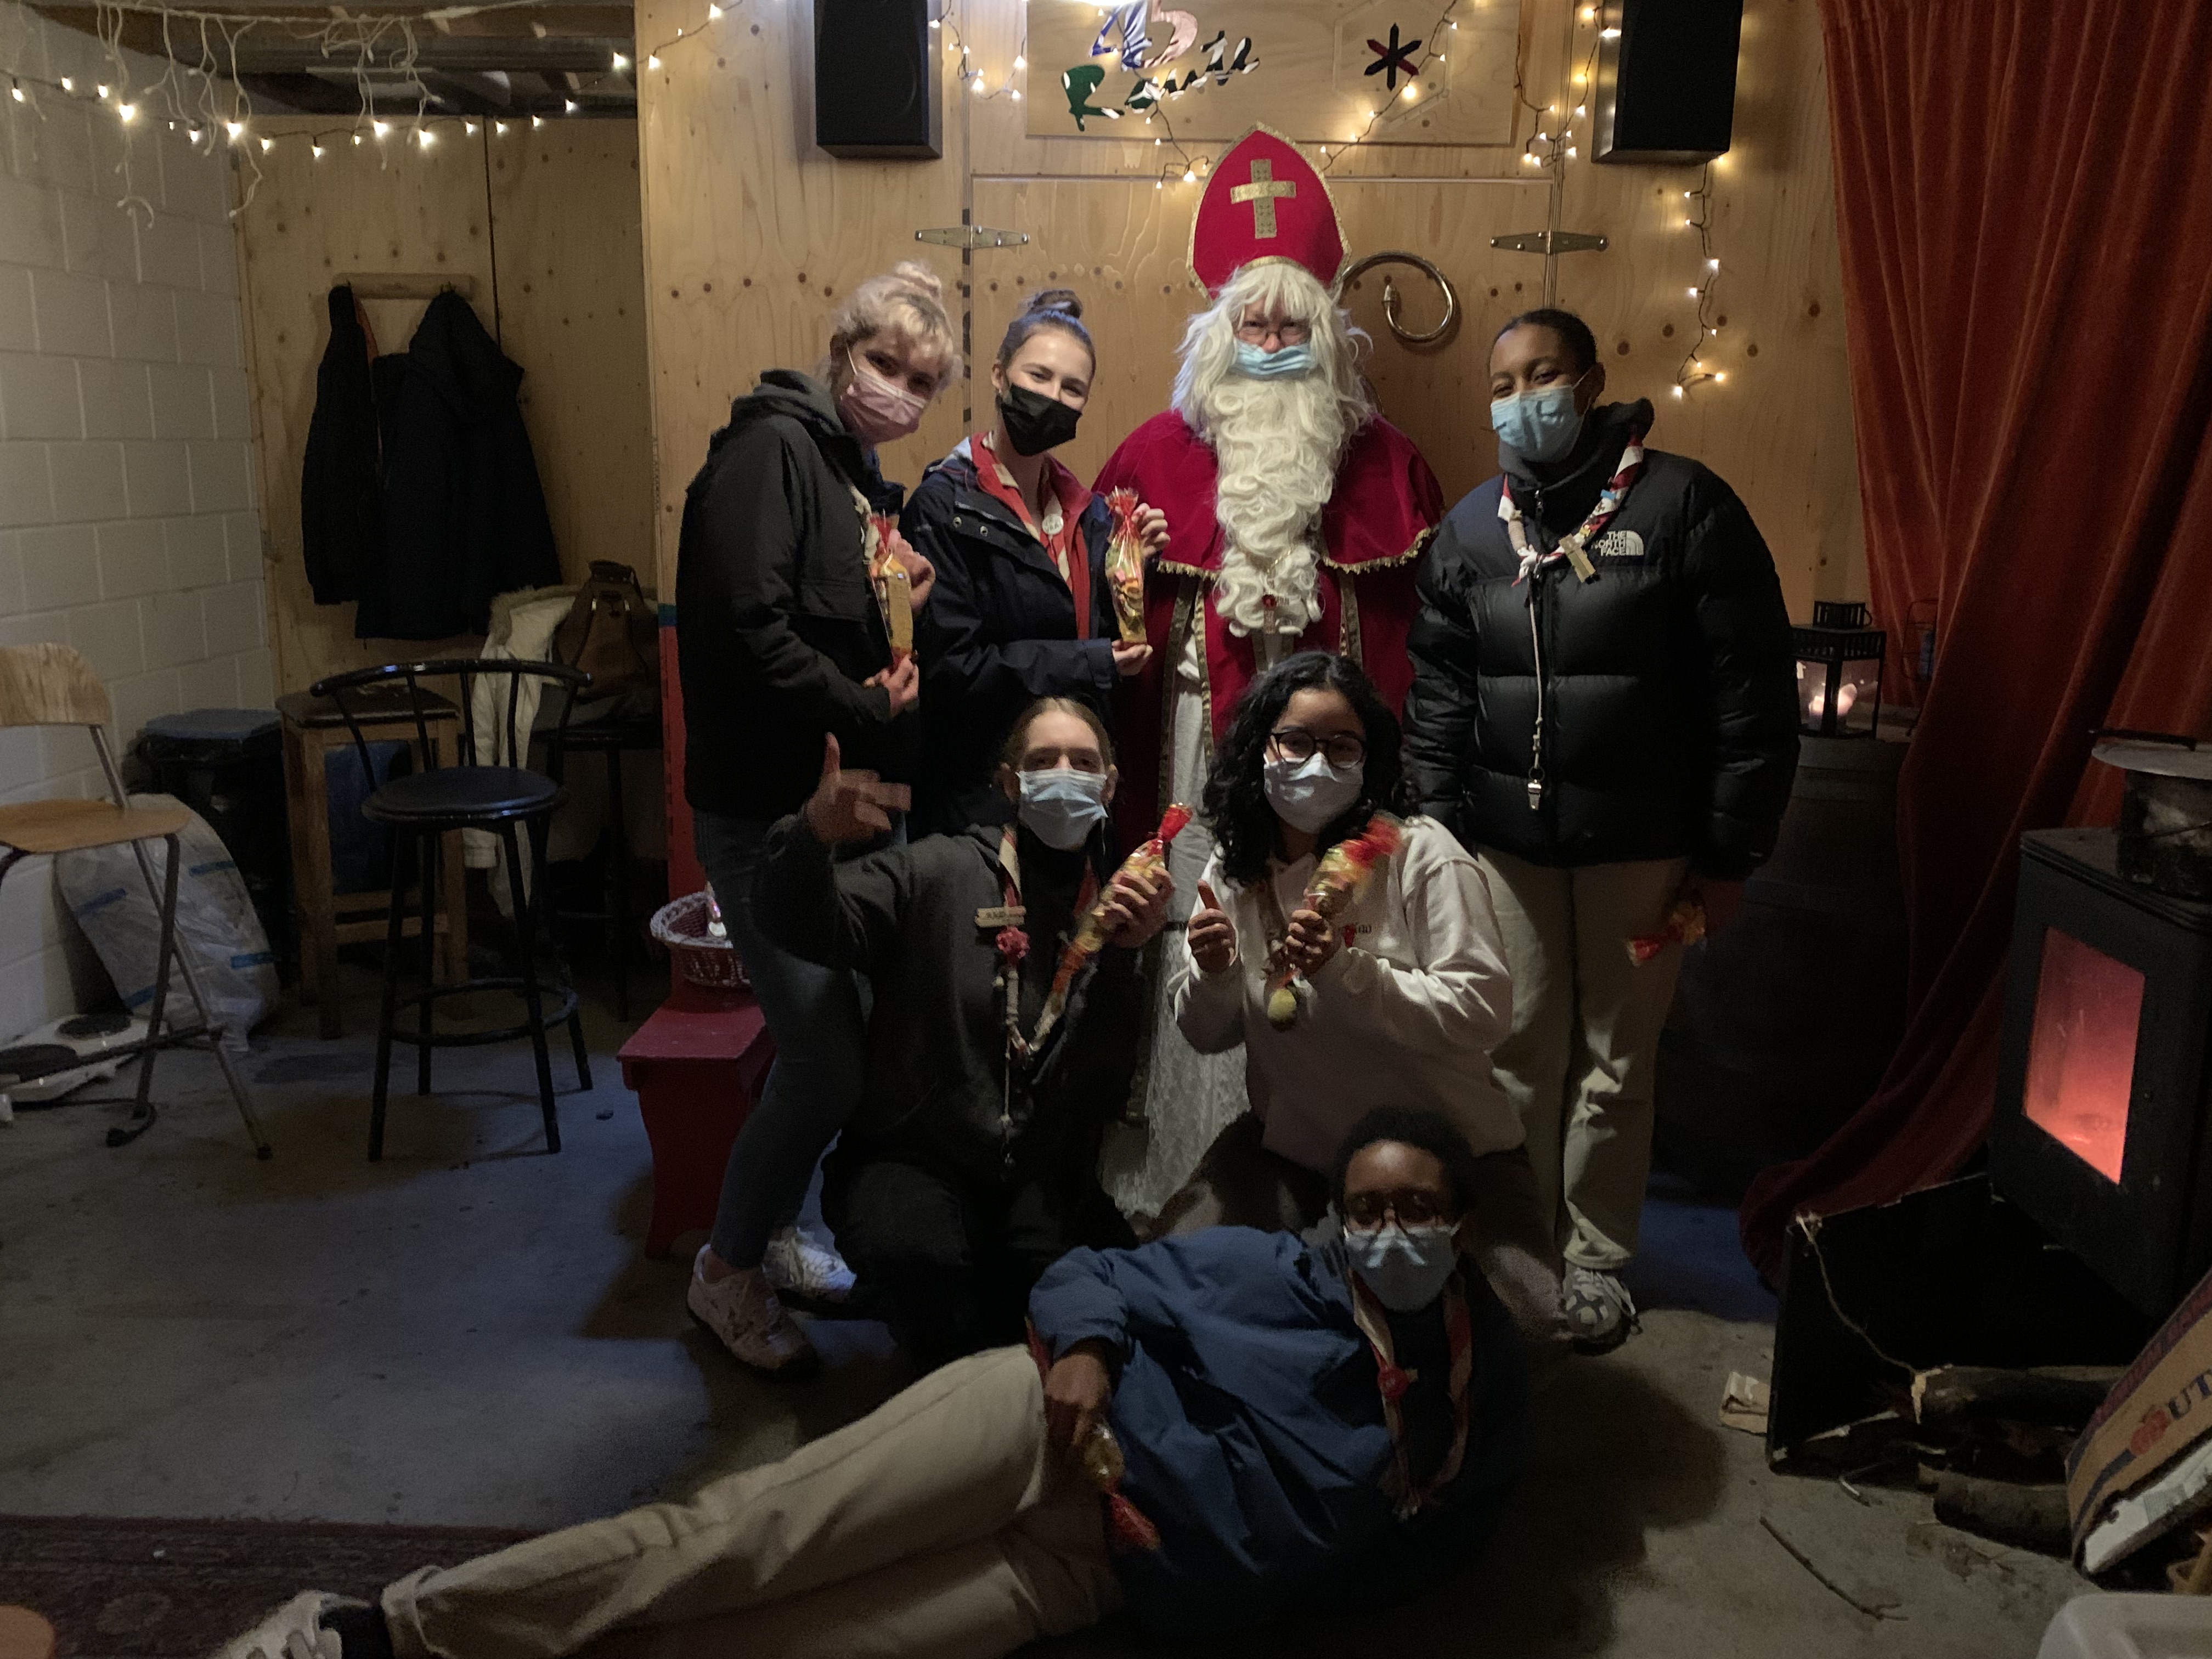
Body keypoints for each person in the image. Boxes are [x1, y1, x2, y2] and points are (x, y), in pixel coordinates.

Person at [218, 1108, 1530, 1659]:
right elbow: (1097, 1275)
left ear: (1463, 1223)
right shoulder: (1275, 1273)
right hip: (1048, 1433)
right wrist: (1085, 1351)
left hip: (1095, 1574)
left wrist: (1258, 1593)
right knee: (743, 1541)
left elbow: (1428, 1543)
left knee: (780, 1647)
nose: (1390, 1233)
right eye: (1368, 1209)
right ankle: (375, 1631)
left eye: (1418, 1210)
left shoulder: (1484, 1388)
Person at [1404, 306, 1799, 1352]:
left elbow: (1751, 692)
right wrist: (1433, 827)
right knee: (1513, 1048)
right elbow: (1437, 691)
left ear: (1588, 384)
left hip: (1643, 846)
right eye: (1501, 383)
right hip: (1503, 847)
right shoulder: (1472, 529)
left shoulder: (1682, 505)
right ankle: (1521, 1245)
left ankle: (1594, 1257)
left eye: (1541, 375)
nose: (1520, 398)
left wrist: (1729, 852)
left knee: (1616, 1059)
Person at [1092, 127, 1445, 1214]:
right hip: (1194, 753)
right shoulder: (1151, 457)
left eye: (1294, 324)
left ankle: (1323, 1170)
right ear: (1220, 334)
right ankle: (1176, 1174)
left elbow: (1416, 642)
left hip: (1326, 771)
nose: (1275, 340)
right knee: (1200, 935)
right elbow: (1106, 618)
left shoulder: (1387, 464)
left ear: (1326, 336)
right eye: (1255, 322)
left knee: (1321, 936)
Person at [674, 261, 955, 1374]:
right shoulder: (770, 453)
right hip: (768, 812)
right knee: (824, 1059)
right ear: (842, 352)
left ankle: (778, 1228)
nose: (900, 391)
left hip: (841, 806)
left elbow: (825, 610)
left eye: (923, 382)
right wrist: (865, 706)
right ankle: (725, 1269)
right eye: (886, 363)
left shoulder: (848, 470)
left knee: (843, 1043)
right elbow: (749, 626)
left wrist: (901, 604)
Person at [753, 698, 1171, 1369]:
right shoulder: (935, 869)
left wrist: (1123, 960)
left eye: (1083, 762)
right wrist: (809, 836)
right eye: (1043, 761)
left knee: (1113, 1301)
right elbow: (798, 925)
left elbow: (1101, 1086)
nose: (1064, 775)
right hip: (914, 1156)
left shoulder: (1118, 906)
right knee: (924, 1265)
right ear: (1009, 783)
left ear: (1110, 784)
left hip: (1039, 1168)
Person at [1159, 652, 1561, 1339]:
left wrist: (1345, 973)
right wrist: (1216, 973)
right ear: (1260, 751)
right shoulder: (1234, 870)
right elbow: (1206, 1033)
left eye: (1342, 746)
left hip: (1448, 1152)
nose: (1317, 763)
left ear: (1369, 760)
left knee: (1524, 1331)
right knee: (1175, 1284)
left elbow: (1483, 1011)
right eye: (1296, 742)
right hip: (1299, 1149)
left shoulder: (1419, 852)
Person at [901, 288, 1168, 836]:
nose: (1053, 397)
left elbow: (1098, 640)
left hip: (1075, 791)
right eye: (1039, 376)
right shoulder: (943, 507)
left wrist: (1132, 571)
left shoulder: (1092, 513)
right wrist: (1093, 661)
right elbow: (954, 671)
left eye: (1072, 388)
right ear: (1000, 376)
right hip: (977, 797)